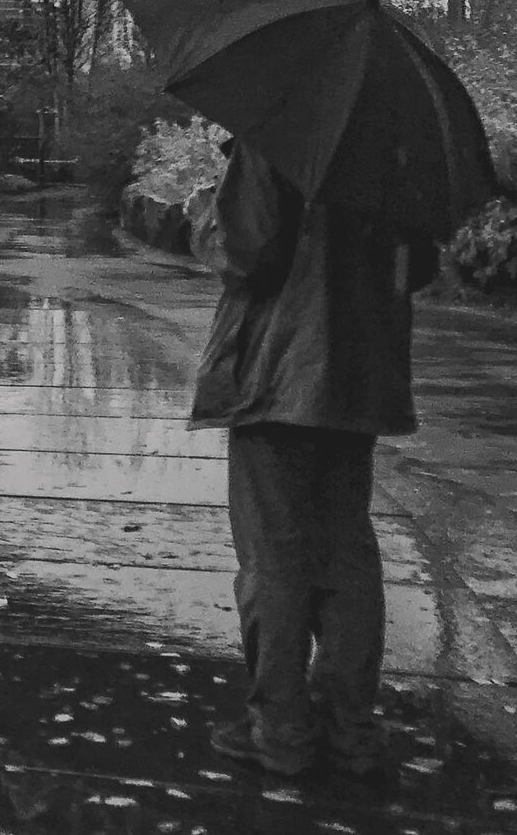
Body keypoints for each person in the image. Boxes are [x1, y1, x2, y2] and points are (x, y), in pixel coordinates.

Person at [186, 137, 438, 778]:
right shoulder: (394, 153)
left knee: (275, 556)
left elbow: (246, 253)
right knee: (345, 550)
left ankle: (282, 731)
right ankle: (351, 730)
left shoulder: (279, 139)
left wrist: (203, 215)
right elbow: (422, 265)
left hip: (280, 375)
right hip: (359, 378)